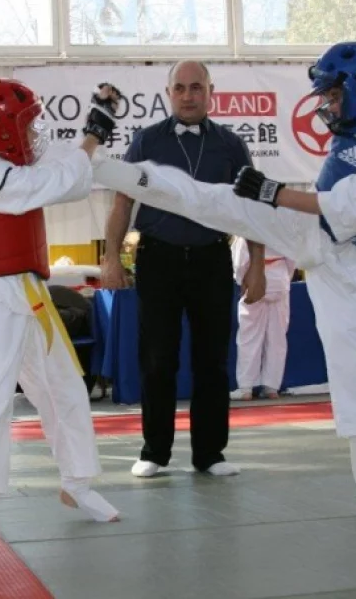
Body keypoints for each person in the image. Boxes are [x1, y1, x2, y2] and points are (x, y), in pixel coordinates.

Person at [91, 41, 356, 517]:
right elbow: (267, 210)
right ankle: (91, 161)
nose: (329, 108)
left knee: (353, 364)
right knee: (212, 199)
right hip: (306, 236)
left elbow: (343, 206)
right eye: (327, 98)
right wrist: (264, 205)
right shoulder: (353, 133)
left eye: (334, 97)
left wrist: (272, 194)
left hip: (351, 266)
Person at [0, 79, 122, 564]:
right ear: (1, 128)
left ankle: (76, 482)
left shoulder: (2, 165)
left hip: (26, 291)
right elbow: (53, 183)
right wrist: (93, 138)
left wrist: (93, 129)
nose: (34, 132)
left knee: (64, 384)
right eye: (27, 123)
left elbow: (63, 172)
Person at [100, 60, 265, 480]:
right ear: (168, 92)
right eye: (180, 88)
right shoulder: (145, 141)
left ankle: (210, 454)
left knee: (212, 361)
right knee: (157, 359)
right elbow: (122, 202)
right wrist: (111, 257)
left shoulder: (231, 145)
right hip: (158, 259)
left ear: (211, 91)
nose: (189, 95)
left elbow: (252, 207)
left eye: (197, 87)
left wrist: (257, 265)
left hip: (213, 259)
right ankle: (154, 450)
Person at [228, 236, 295, 401]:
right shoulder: (282, 225)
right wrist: (285, 277)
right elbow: (293, 258)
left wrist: (240, 278)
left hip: (253, 277)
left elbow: (239, 261)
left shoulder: (249, 226)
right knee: (277, 336)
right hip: (280, 278)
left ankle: (245, 388)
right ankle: (271, 386)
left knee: (249, 336)